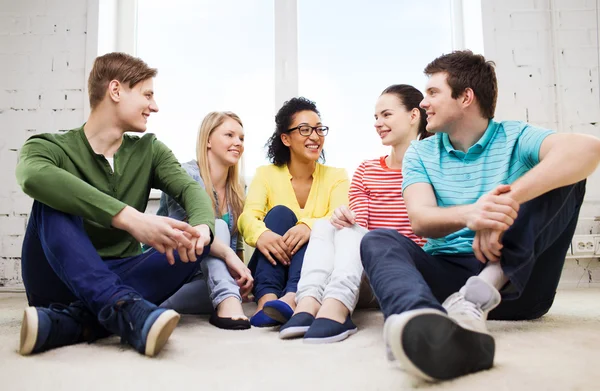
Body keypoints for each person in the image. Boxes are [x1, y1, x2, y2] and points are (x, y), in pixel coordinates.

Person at [360, 50, 600, 381]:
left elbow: (588, 149)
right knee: (378, 239)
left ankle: (479, 295)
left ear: (466, 97)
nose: (424, 103)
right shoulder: (421, 152)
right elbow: (420, 219)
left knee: (566, 176)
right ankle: (421, 323)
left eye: (433, 93)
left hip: (516, 282)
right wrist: (474, 214)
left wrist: (505, 204)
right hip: (446, 280)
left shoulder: (515, 135)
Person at [16, 52, 215, 357]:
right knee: (52, 196)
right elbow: (32, 176)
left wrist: (203, 227)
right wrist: (129, 218)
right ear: (116, 90)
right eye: (147, 94)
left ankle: (72, 323)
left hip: (123, 273)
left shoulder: (150, 150)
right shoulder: (49, 147)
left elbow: (190, 188)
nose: (155, 106)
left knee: (191, 244)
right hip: (55, 279)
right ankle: (125, 308)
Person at [279, 84, 430, 343]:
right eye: (376, 117)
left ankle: (337, 308)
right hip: (361, 272)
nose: (378, 123)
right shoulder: (366, 170)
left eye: (386, 114)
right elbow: (358, 227)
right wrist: (342, 217)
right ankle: (308, 303)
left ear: (414, 115)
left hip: (403, 271)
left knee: (354, 233)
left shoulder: (433, 167)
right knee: (328, 225)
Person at [238, 97, 349, 327]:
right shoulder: (266, 174)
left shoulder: (337, 176)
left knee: (316, 230)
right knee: (279, 214)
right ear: (286, 138)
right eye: (305, 129)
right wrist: (262, 234)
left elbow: (340, 215)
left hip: (314, 271)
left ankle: (291, 298)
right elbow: (248, 216)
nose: (315, 136)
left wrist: (308, 226)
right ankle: (267, 299)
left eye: (319, 129)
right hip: (273, 265)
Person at [154, 111, 253, 330]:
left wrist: (240, 277)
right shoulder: (184, 175)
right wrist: (228, 258)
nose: (238, 142)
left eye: (241, 138)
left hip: (206, 276)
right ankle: (228, 299)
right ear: (208, 139)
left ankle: (226, 296)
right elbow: (187, 236)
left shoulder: (237, 189)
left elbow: (235, 246)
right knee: (213, 226)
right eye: (229, 135)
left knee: (216, 286)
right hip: (171, 267)